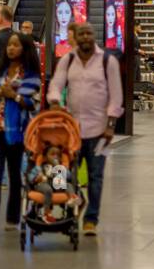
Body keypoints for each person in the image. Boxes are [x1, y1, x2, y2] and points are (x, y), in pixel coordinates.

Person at [47, 23, 123, 236]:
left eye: (89, 33)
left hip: (100, 131)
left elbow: (116, 96)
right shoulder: (67, 60)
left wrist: (111, 126)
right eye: (82, 34)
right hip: (71, 131)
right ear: (76, 37)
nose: (86, 37)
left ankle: (91, 219)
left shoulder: (108, 61)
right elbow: (56, 85)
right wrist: (54, 101)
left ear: (94, 35)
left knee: (96, 175)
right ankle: (77, 200)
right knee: (62, 173)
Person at [0, 31, 41, 235]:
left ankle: (12, 217)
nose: (11, 48)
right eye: (9, 45)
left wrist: (15, 97)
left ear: (24, 49)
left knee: (14, 175)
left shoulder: (31, 75)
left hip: (17, 131)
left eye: (16, 45)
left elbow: (33, 104)